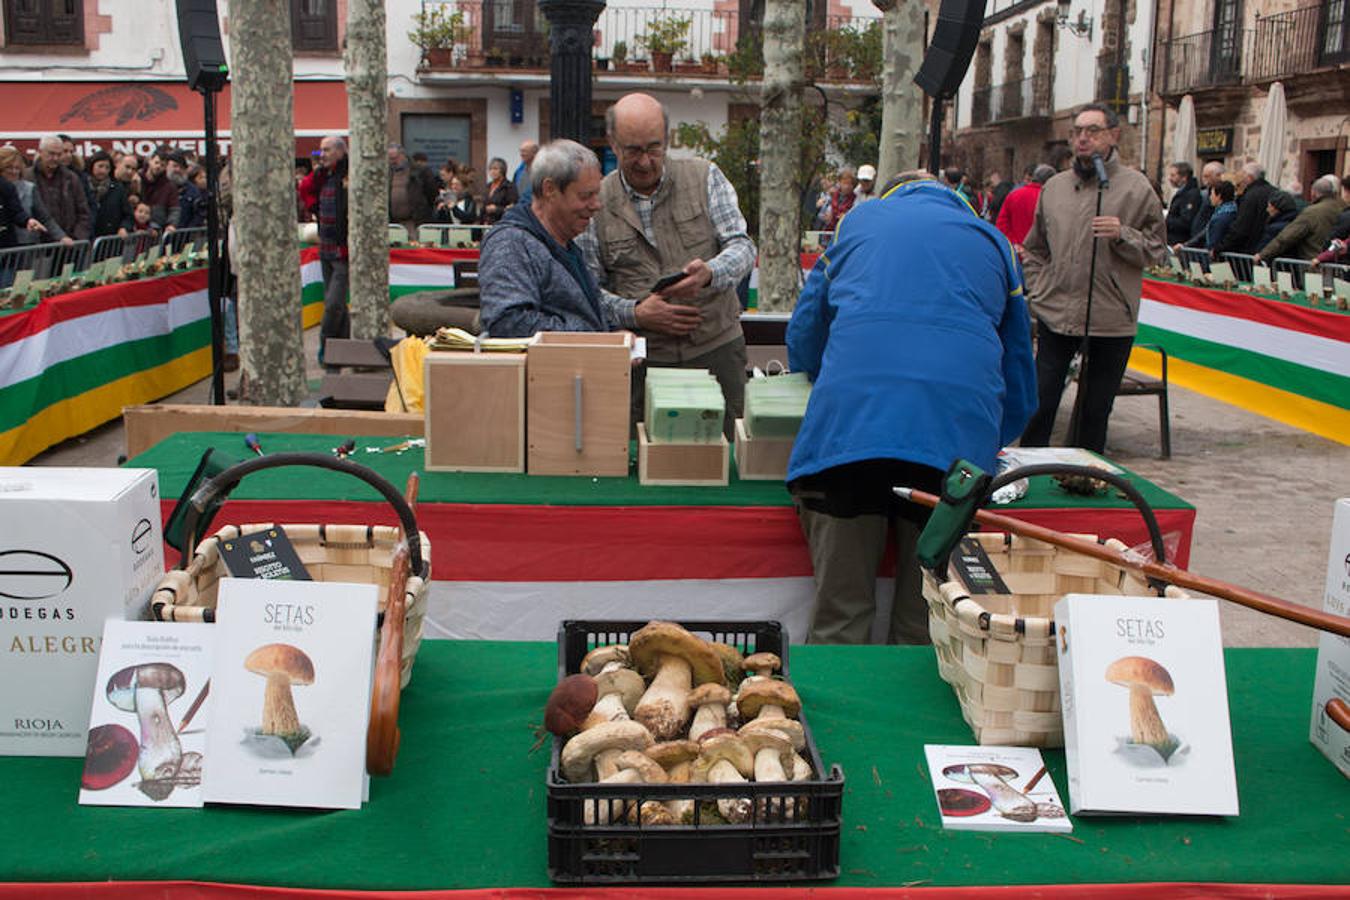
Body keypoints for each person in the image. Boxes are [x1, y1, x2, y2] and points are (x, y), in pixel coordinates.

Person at [786, 172, 1037, 645]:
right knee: (926, 620)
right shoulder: (996, 244)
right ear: (960, 202)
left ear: (889, 195)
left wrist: (845, 386)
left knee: (840, 616)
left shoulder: (854, 225)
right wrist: (986, 443)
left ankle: (835, 717)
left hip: (847, 443)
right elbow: (1019, 377)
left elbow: (803, 339)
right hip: (952, 456)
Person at [577, 92, 757, 439]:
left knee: (728, 463)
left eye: (654, 148)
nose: (645, 161)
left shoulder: (706, 177)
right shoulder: (597, 203)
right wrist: (636, 313)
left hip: (716, 352)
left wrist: (710, 274)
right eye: (633, 150)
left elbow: (743, 246)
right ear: (613, 144)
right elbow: (588, 291)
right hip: (642, 365)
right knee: (641, 468)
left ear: (668, 139)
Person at [1019, 103, 1166, 454]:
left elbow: (1157, 250)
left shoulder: (1137, 188)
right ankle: (1026, 476)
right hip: (1056, 312)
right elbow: (1035, 248)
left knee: (1095, 410)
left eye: (1092, 131)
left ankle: (1084, 482)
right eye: (1077, 132)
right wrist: (1040, 287)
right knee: (1040, 400)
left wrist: (1124, 235)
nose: (1083, 138)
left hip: (1110, 317)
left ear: (1113, 135)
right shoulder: (1053, 188)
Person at [479, 139, 611, 336]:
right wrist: (593, 339)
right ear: (550, 190)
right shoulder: (510, 244)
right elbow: (508, 323)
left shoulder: (564, 242)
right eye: (585, 196)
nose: (596, 205)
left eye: (596, 194)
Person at [298, 136, 350, 365]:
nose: (323, 155)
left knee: (334, 304)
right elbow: (305, 188)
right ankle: (343, 347)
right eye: (320, 151)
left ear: (340, 151)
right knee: (335, 303)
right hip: (326, 246)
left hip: (342, 248)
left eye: (327, 150)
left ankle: (326, 345)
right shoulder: (322, 176)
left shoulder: (348, 173)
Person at [1255, 175, 1346, 264]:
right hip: (1339, 264)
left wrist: (1262, 255)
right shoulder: (1344, 206)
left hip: (1314, 263)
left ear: (1313, 193)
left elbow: (1287, 237)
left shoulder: (1312, 212)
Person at [26, 134, 90, 241]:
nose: (55, 158)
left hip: (68, 242)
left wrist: (77, 237)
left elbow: (83, 212)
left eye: (58, 154)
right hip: (37, 241)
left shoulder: (71, 178)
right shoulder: (27, 176)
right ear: (40, 152)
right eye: (51, 154)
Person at [0, 147, 63, 246]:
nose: (14, 172)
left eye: (17, 168)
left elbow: (42, 216)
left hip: (21, 244)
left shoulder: (27, 188)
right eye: (9, 167)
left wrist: (61, 237)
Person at [1215, 162, 1274, 255]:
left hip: (1248, 250)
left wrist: (1221, 247)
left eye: (1242, 177)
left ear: (1249, 178)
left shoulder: (1250, 196)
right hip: (1266, 249)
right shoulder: (1274, 192)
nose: (1240, 181)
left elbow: (1241, 227)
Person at [996, 163, 1055, 250]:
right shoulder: (1049, 199)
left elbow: (1001, 224)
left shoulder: (1014, 195)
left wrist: (1014, 243)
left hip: (1016, 250)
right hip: (1039, 254)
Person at [387, 143, 438, 235]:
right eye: (390, 159)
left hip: (415, 221)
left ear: (402, 155)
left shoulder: (420, 171)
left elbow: (432, 193)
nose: (392, 162)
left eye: (394, 158)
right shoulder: (387, 173)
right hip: (394, 222)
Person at [1181, 161, 1227, 249]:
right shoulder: (1204, 194)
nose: (1204, 180)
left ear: (1218, 176)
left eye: (1207, 176)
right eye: (1203, 176)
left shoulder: (1223, 200)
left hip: (1206, 243)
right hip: (1197, 240)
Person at [138, 147, 181, 233]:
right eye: (156, 163)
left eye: (162, 165)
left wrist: (171, 225)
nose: (158, 167)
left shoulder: (169, 186)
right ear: (150, 161)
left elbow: (175, 209)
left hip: (158, 228)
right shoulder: (137, 179)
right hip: (137, 226)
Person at [1164, 162, 1202, 246]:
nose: (1169, 178)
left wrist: (1166, 220)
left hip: (1180, 242)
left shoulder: (1191, 195)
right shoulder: (1181, 193)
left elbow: (1185, 222)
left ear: (1184, 177)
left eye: (1173, 175)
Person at [482, 156, 518, 225]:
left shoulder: (509, 187)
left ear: (502, 170)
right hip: (487, 224)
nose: (492, 171)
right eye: (490, 169)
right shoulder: (488, 186)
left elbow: (513, 208)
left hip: (502, 223)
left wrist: (496, 209)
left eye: (495, 169)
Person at [1203, 180, 1238, 251]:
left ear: (1219, 196)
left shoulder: (1220, 218)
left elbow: (1214, 240)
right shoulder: (1234, 211)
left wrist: (1212, 250)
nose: (1210, 197)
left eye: (1212, 194)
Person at [514, 139, 538, 204]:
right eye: (520, 151)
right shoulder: (519, 171)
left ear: (534, 153)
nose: (521, 154)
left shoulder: (541, 171)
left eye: (524, 151)